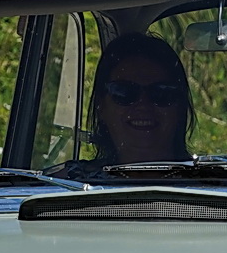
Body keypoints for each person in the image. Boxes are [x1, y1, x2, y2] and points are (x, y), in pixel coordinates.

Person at [82, 32, 195, 168]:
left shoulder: (211, 185)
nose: (143, 105)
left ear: (180, 108)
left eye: (161, 93)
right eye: (124, 92)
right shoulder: (63, 184)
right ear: (101, 106)